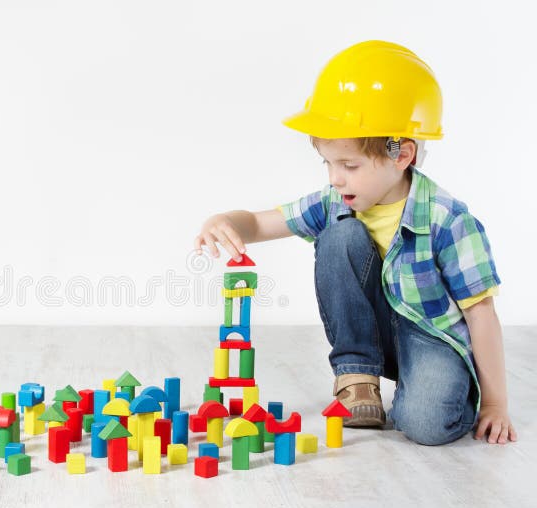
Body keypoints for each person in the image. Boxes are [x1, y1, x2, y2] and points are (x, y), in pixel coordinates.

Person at [194, 40, 517, 446]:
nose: (335, 178)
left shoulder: (448, 220)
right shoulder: (336, 202)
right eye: (328, 164)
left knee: (425, 427)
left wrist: (495, 404)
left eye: (349, 165)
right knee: (339, 235)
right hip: (375, 331)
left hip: (432, 336)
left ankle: (433, 390)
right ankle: (358, 375)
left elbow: (481, 314)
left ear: (403, 156)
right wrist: (225, 221)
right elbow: (260, 223)